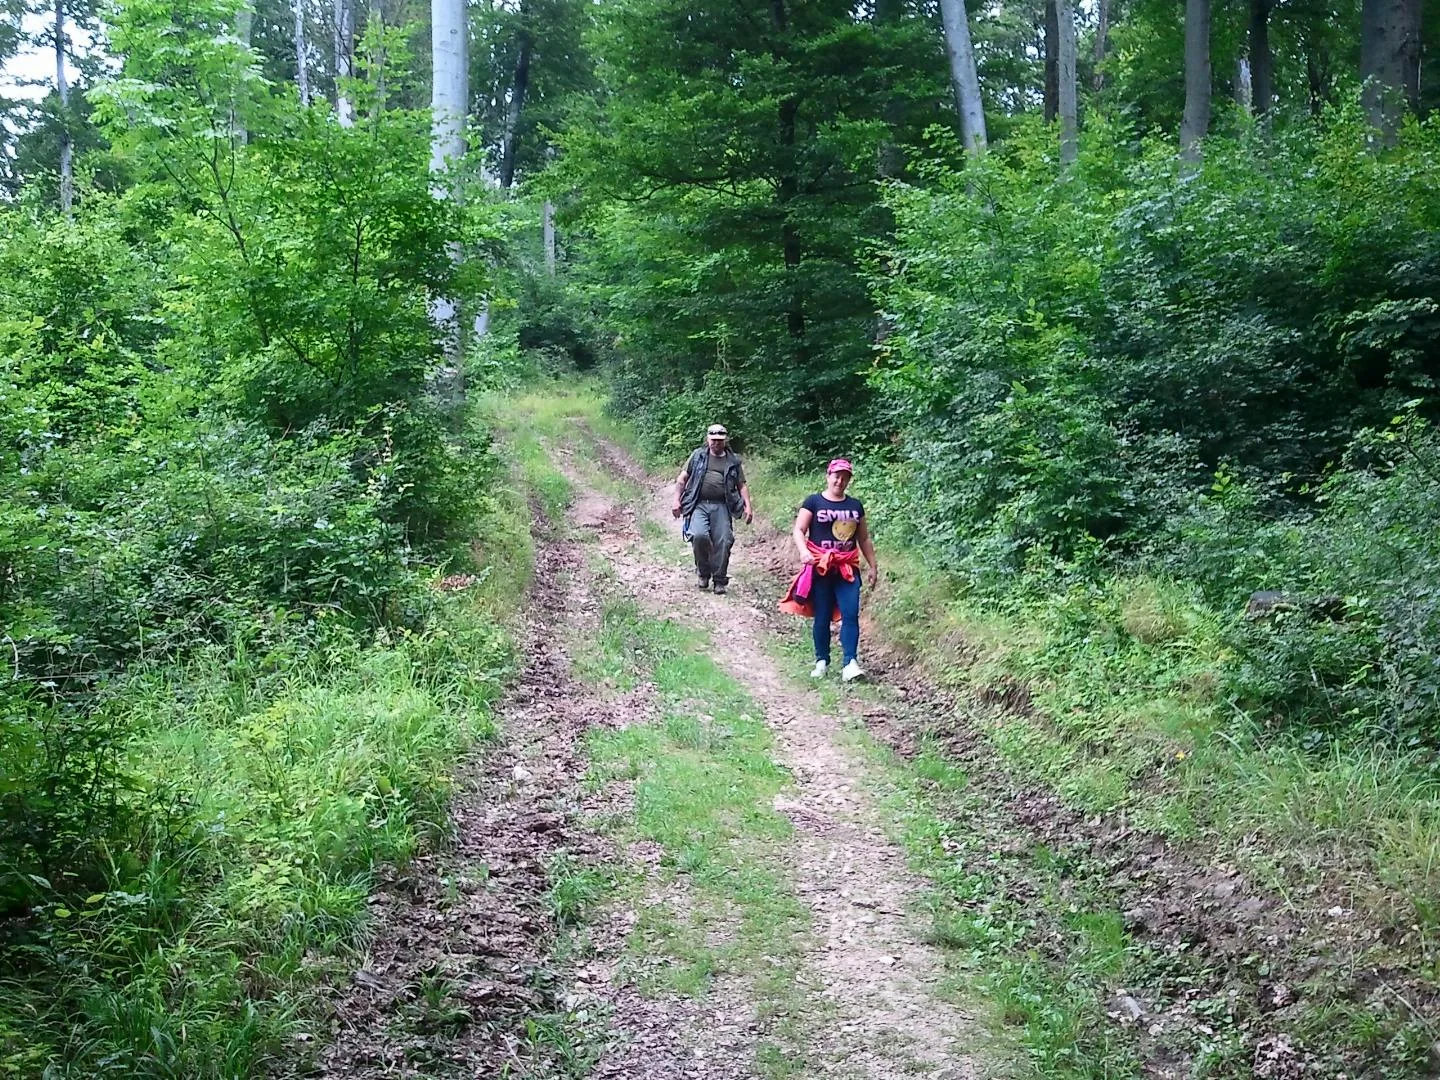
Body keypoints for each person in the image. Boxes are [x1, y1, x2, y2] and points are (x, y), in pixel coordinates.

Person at [781, 458, 878, 682]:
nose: (840, 480)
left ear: (849, 480)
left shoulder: (855, 506)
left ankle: (850, 663)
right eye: (837, 475)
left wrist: (873, 565)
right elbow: (799, 529)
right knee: (822, 616)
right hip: (821, 569)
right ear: (828, 476)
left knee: (850, 613)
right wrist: (804, 551)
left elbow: (863, 537)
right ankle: (822, 660)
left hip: (847, 568)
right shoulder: (813, 502)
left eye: (845, 477)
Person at [672, 423, 753, 595]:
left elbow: (741, 485)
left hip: (722, 505)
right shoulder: (698, 456)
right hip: (699, 503)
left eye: (720, 440)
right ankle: (703, 572)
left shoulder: (733, 461)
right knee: (699, 535)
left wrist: (748, 506)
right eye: (713, 440)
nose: (716, 443)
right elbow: (682, 479)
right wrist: (676, 501)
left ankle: (719, 580)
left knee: (724, 540)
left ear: (725, 441)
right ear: (707, 439)